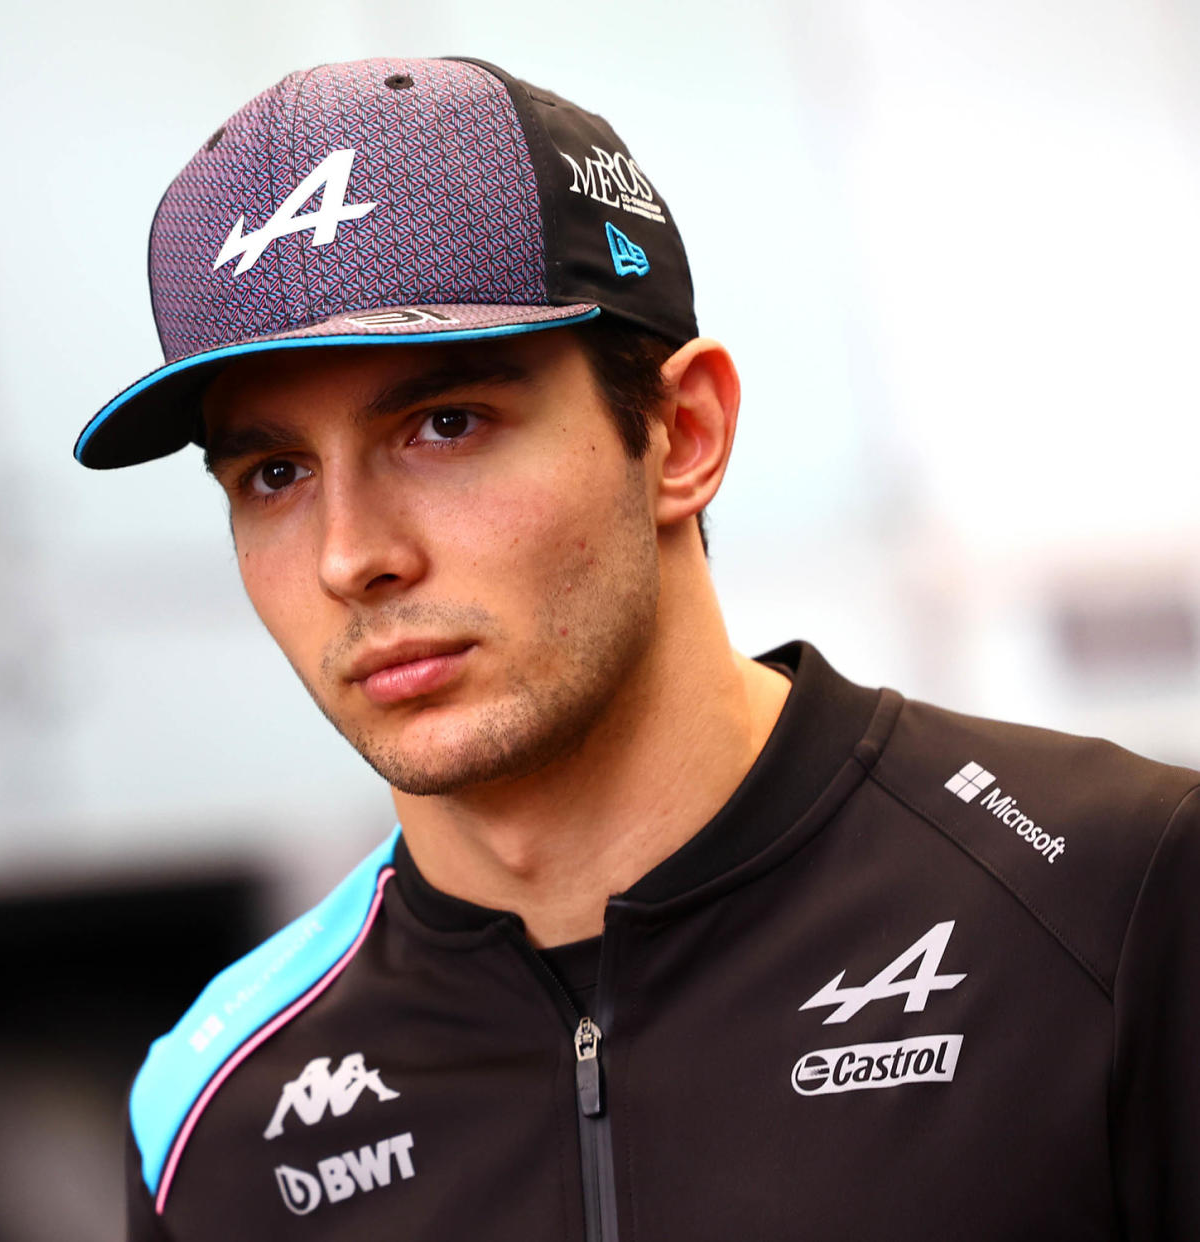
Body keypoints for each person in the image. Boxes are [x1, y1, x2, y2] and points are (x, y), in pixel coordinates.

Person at [76, 56, 1200, 1242]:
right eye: (274, 473)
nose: (351, 557)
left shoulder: (1120, 900)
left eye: (444, 424)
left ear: (683, 436)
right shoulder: (215, 1117)